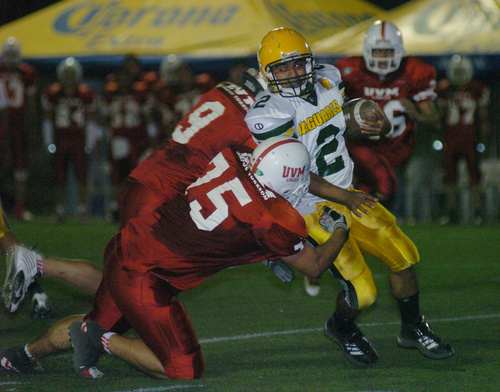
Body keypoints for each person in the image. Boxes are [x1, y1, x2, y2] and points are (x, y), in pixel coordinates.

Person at [0, 137, 350, 380]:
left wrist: (264, 253)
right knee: (183, 369)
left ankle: (23, 355)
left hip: (132, 241)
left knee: (103, 309)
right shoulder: (273, 220)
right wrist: (340, 231)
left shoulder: (234, 156)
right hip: (151, 277)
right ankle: (96, 338)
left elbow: (232, 226)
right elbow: (314, 265)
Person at [245, 27, 454, 367]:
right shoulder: (268, 113)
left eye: (299, 65)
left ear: (311, 63)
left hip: (347, 194)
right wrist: (345, 196)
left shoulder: (328, 78)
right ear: (268, 73)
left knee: (402, 254)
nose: (294, 73)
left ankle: (413, 327)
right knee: (363, 292)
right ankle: (342, 327)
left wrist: (370, 119)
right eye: (283, 68)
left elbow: (338, 123)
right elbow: (293, 170)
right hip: (310, 206)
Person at [306, 21, 440, 295]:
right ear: (366, 51)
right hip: (355, 149)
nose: (381, 58)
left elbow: (434, 119)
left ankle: (321, 257)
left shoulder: (417, 71)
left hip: (396, 151)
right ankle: (322, 258)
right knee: (383, 187)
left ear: (400, 51)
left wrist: (412, 111)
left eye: (387, 52)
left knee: (356, 209)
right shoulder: (348, 69)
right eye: (377, 52)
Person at [436, 54, 491, 224]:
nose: (459, 76)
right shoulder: (445, 89)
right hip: (452, 140)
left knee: (474, 178)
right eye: (456, 72)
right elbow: (440, 115)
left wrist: (483, 138)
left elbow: (483, 118)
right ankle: (451, 212)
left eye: (462, 72)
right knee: (450, 178)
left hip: (469, 140)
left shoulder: (477, 89)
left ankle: (477, 212)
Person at [41, 57, 97, 221]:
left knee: (81, 174)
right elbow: (47, 118)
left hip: (78, 137)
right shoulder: (53, 93)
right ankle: (59, 209)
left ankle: (83, 209)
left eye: (71, 74)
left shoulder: (85, 93)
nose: (69, 77)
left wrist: (91, 141)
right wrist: (48, 140)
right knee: (59, 175)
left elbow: (90, 118)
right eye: (66, 74)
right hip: (61, 137)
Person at [0, 37, 38, 220]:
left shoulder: (27, 73)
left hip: (18, 126)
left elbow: (30, 103)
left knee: (20, 167)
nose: (10, 58)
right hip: (7, 125)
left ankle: (19, 208)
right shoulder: (23, 73)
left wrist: (32, 126)